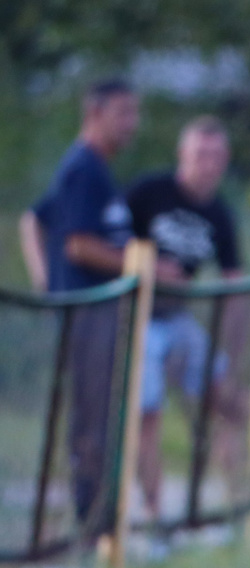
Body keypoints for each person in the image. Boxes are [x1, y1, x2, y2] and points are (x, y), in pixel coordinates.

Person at [26, 79, 140, 529]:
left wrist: (44, 276)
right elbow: (78, 245)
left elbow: (33, 219)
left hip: (100, 313)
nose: (132, 123)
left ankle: (95, 519)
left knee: (102, 415)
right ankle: (89, 524)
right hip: (89, 314)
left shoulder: (95, 169)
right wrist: (141, 267)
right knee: (90, 418)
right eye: (123, 113)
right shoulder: (83, 168)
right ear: (95, 114)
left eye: (134, 113)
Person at [127, 116, 246, 519]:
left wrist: (233, 353)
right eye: (199, 154)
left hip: (178, 318)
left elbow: (235, 283)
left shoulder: (220, 213)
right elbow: (109, 244)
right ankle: (154, 514)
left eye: (215, 155)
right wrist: (151, 270)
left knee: (229, 403)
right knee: (147, 414)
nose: (206, 164)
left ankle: (237, 505)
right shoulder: (149, 192)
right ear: (182, 154)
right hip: (138, 319)